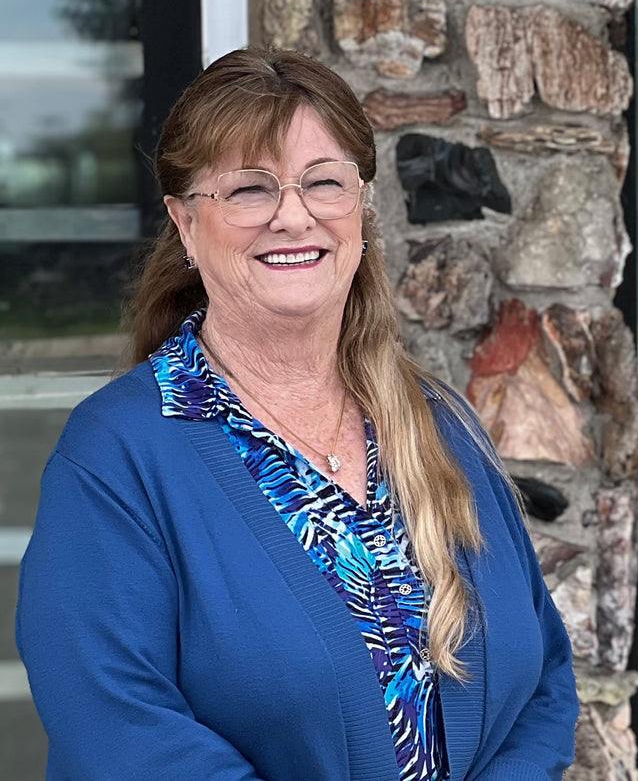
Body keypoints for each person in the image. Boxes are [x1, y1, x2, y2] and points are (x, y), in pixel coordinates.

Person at [15, 48, 578, 780]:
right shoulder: (117, 458)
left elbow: (544, 680)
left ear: (361, 210)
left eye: (323, 183)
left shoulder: (441, 424)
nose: (293, 214)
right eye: (250, 190)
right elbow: (119, 732)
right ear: (186, 224)